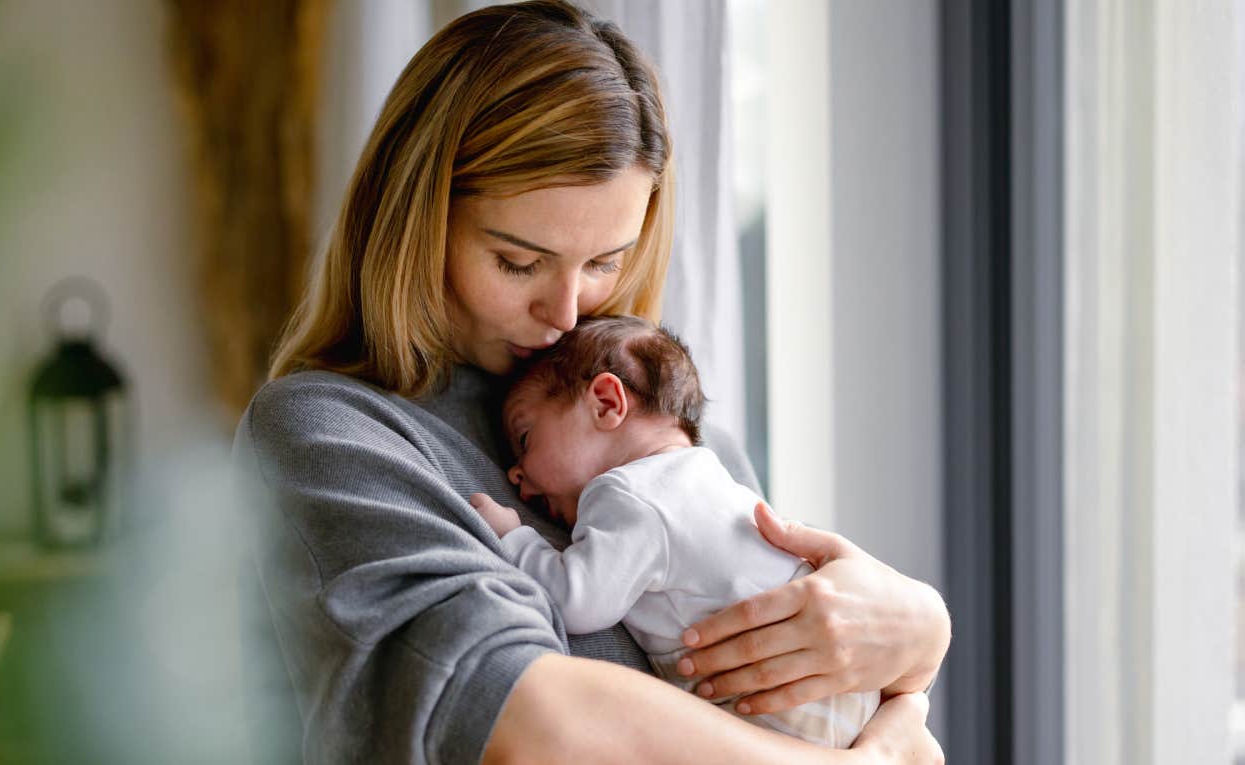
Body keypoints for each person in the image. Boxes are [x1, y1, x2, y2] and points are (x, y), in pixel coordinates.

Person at [232, 1, 950, 763]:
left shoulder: (683, 444)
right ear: (417, 216)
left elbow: (832, 701)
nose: (566, 311)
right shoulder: (330, 434)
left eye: (605, 261)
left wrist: (918, 632)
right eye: (518, 261)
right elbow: (528, 718)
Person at [469, 315, 882, 748]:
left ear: (607, 403)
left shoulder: (630, 494)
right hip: (836, 683)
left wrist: (514, 537)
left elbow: (577, 601)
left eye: (526, 437)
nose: (516, 473)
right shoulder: (707, 475)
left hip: (783, 700)